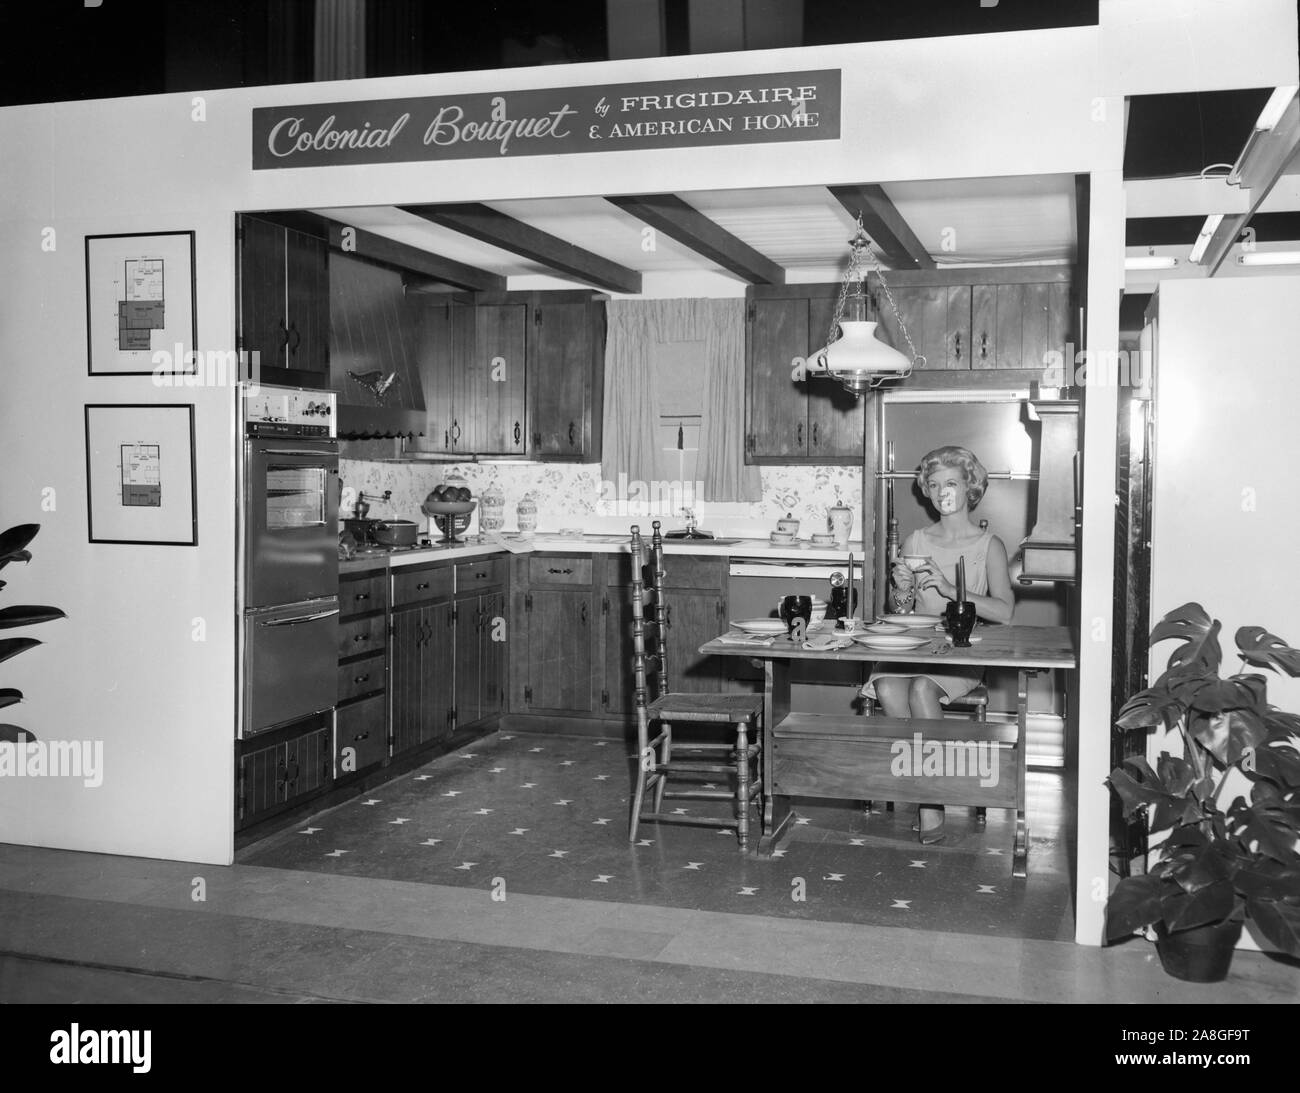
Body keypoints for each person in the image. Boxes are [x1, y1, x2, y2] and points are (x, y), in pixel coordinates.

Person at [862, 445, 1015, 844]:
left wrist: (951, 590)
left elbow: (1004, 612)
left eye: (951, 482)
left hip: (963, 649)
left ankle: (931, 802)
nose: (942, 490)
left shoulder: (989, 545)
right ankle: (920, 784)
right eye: (934, 484)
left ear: (970, 487)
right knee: (886, 685)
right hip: (917, 646)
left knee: (921, 687)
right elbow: (901, 610)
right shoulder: (916, 541)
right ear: (927, 493)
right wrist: (899, 590)